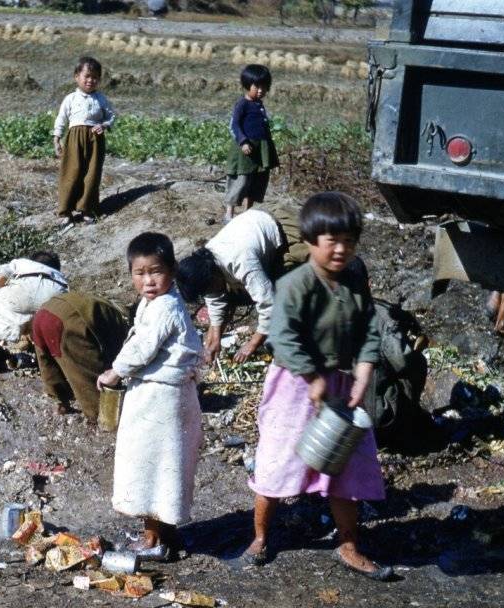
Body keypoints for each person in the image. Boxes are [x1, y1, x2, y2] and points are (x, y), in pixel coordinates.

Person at [243, 192, 394, 581]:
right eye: (332, 242)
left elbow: (367, 329)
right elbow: (283, 337)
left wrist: (363, 370)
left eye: (349, 241)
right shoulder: (295, 285)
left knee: (348, 465)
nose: (341, 250)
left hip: (342, 384)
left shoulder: (355, 278)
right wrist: (311, 377)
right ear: (311, 242)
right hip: (293, 386)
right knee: (278, 461)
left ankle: (348, 544)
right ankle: (260, 536)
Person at [97, 233, 203, 561]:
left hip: (162, 397)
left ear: (171, 270)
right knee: (162, 464)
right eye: (139, 273)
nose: (148, 280)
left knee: (154, 464)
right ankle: (159, 533)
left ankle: (155, 538)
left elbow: (142, 348)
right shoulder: (154, 304)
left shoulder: (166, 307)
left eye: (155, 271)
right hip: (162, 395)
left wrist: (114, 372)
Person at [177, 206, 306, 365]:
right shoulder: (207, 264)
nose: (211, 293)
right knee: (231, 295)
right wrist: (215, 337)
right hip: (250, 231)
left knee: (292, 293)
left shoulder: (241, 262)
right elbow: (214, 298)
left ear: (213, 276)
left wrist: (252, 344)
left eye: (210, 289)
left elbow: (270, 304)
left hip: (278, 229)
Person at [32, 292, 129, 420]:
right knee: (86, 372)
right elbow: (115, 354)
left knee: (48, 364)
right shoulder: (118, 319)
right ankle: (99, 417)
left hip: (41, 316)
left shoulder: (97, 302)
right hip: (69, 320)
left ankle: (60, 404)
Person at [53, 56, 116, 226]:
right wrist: (57, 138)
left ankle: (87, 209)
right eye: (87, 76)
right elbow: (61, 118)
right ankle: (65, 211)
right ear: (76, 77)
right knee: (71, 172)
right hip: (74, 139)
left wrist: (104, 125)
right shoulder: (70, 98)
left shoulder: (101, 99)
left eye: (95, 77)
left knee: (92, 174)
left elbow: (111, 116)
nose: (91, 80)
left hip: (95, 140)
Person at [224, 64, 279, 223]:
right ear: (247, 85)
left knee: (255, 180)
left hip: (260, 148)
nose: (261, 90)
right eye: (257, 86)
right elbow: (234, 125)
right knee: (241, 179)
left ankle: (247, 212)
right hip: (245, 149)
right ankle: (229, 213)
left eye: (264, 87)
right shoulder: (242, 104)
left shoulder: (259, 104)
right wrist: (243, 142)